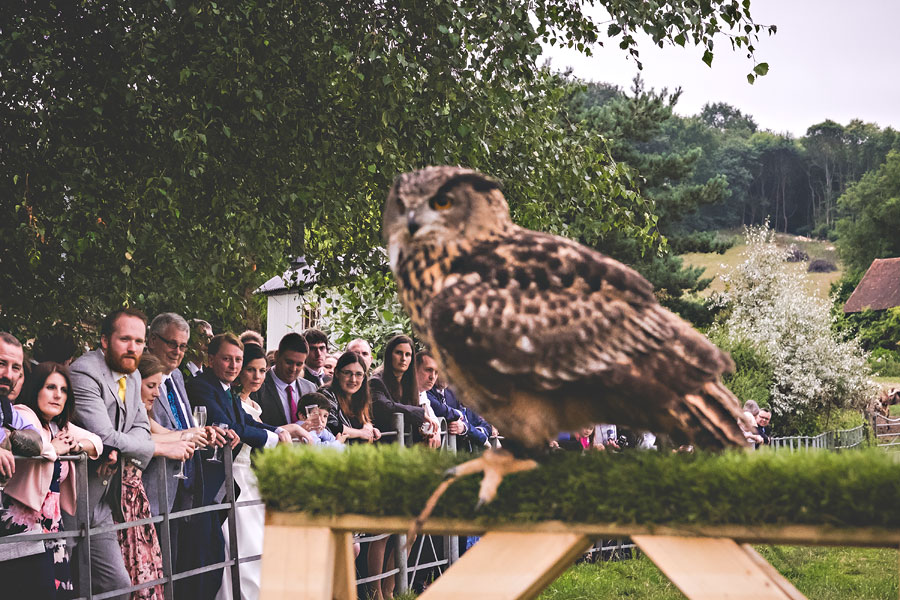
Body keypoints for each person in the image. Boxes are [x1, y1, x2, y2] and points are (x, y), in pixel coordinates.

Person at [182, 333, 293, 600]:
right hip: (211, 481)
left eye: (238, 360)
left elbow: (246, 421)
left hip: (233, 479)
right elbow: (229, 426)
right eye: (227, 359)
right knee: (226, 549)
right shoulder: (202, 386)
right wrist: (274, 438)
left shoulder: (226, 389)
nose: (234, 366)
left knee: (246, 545)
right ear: (210, 359)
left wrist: (278, 430)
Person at [68, 308, 156, 600]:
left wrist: (124, 445)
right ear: (105, 340)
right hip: (70, 499)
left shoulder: (133, 377)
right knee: (64, 586)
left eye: (139, 341)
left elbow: (143, 428)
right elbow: (104, 435)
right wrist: (149, 446)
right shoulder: (84, 371)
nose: (133, 348)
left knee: (118, 586)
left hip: (103, 501)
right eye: (125, 339)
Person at [2, 362, 102, 599]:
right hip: (23, 526)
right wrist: (53, 448)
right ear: (36, 388)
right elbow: (37, 446)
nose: (58, 395)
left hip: (52, 527)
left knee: (60, 593)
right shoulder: (24, 414)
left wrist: (76, 445)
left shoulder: (59, 426)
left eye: (64, 389)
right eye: (50, 387)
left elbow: (96, 443)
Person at [143, 313, 208, 545]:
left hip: (184, 479)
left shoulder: (178, 376)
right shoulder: (138, 375)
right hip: (153, 482)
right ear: (152, 340)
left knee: (177, 562)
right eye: (172, 343)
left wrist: (202, 433)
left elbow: (186, 424)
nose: (177, 351)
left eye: (182, 346)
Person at [216, 343, 268, 600]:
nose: (256, 376)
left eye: (262, 371)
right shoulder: (231, 400)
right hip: (234, 475)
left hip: (252, 475)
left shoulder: (250, 404)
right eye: (251, 370)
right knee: (239, 542)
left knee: (259, 543)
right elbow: (243, 428)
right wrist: (277, 434)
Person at [369, 335, 437, 442]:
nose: (403, 358)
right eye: (399, 353)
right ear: (389, 355)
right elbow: (385, 407)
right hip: (383, 446)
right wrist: (420, 413)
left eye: (408, 354)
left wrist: (423, 431)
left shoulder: (410, 384)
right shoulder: (376, 381)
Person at [257, 333, 317, 427]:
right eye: (289, 362)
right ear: (276, 356)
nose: (293, 369)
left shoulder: (310, 388)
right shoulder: (258, 387)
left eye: (299, 364)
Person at [321, 353, 380, 444]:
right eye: (347, 373)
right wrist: (361, 433)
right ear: (337, 373)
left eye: (358, 374)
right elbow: (332, 425)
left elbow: (363, 425)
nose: (353, 379)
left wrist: (369, 428)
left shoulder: (359, 397)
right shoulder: (325, 394)